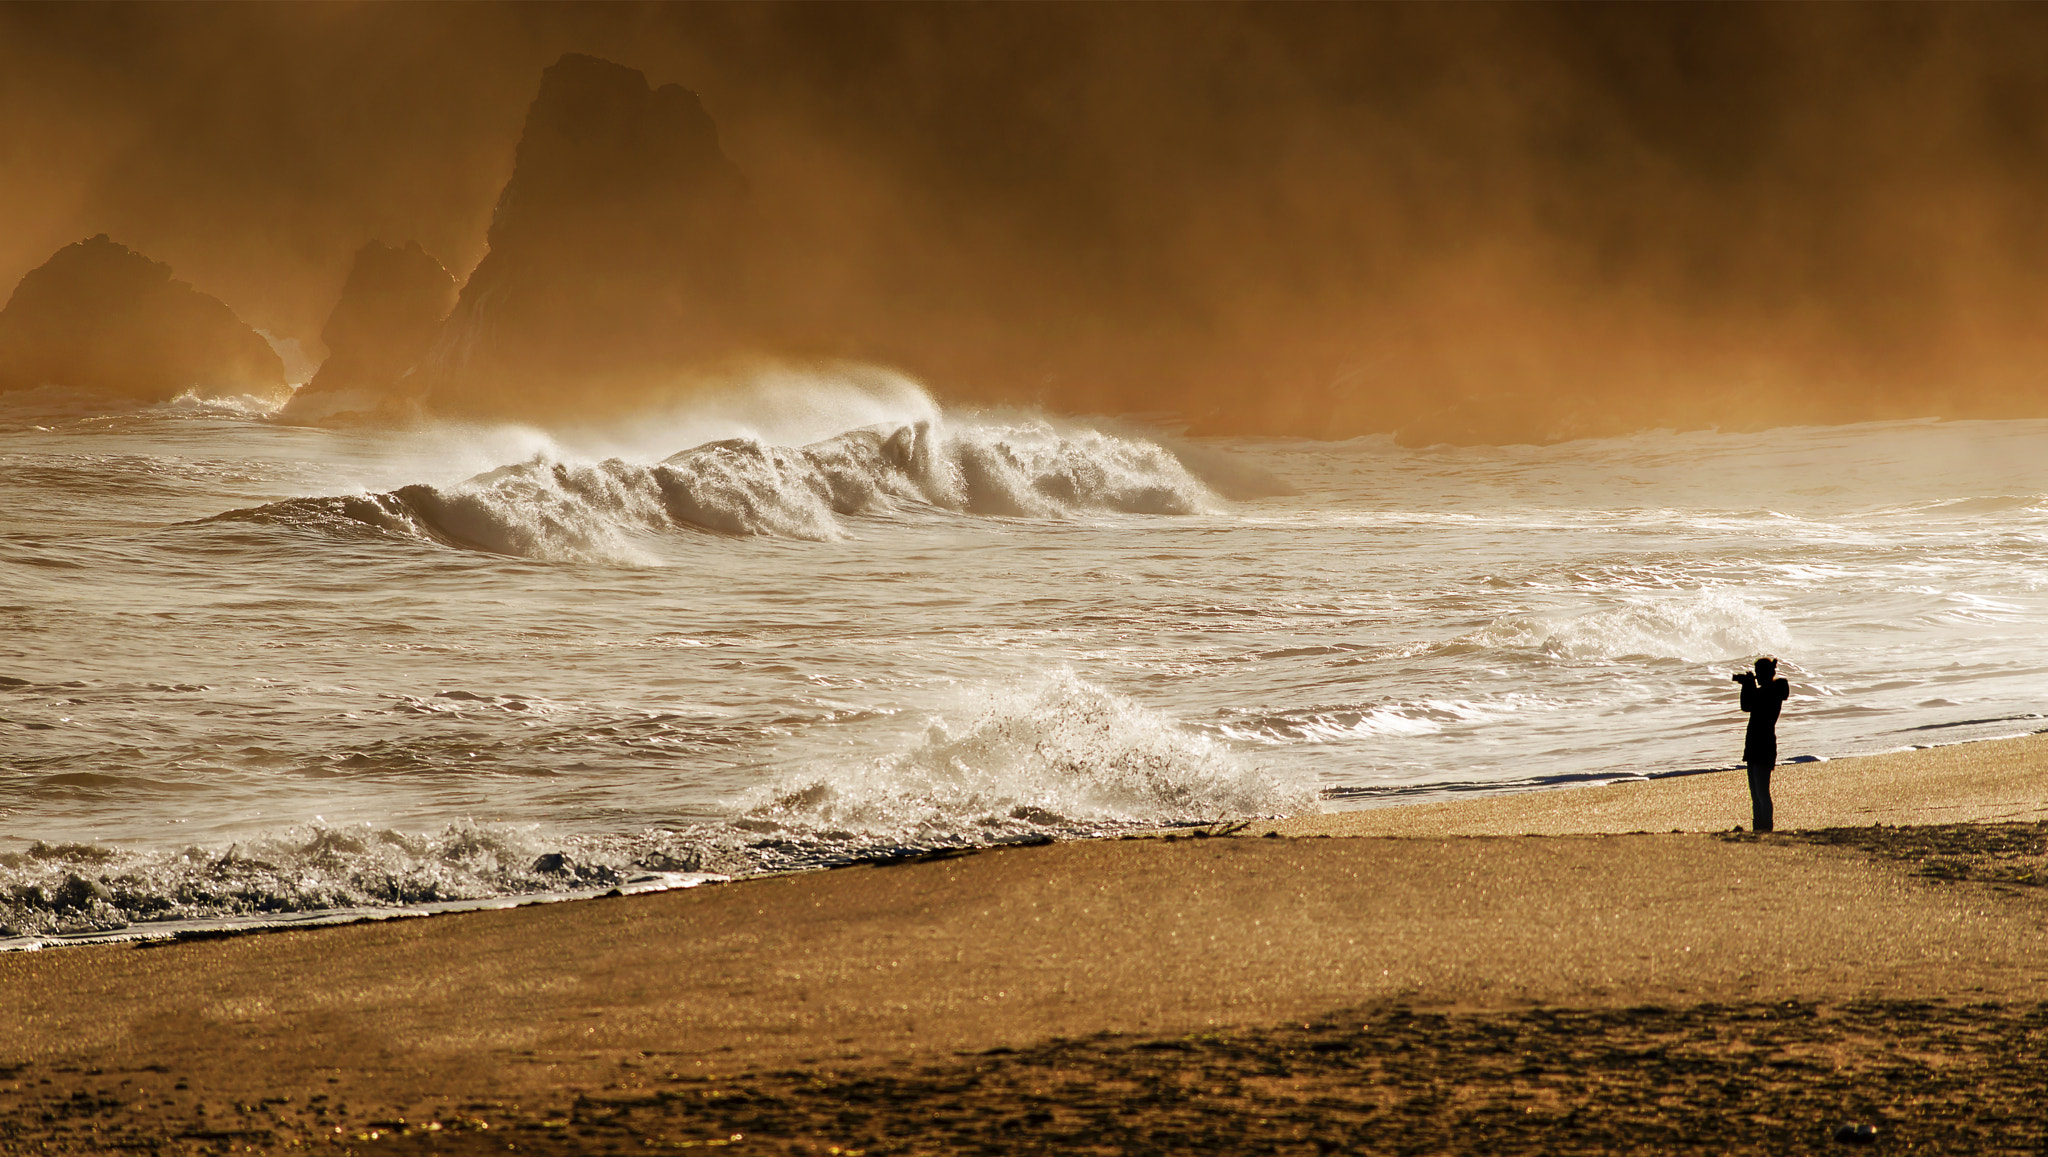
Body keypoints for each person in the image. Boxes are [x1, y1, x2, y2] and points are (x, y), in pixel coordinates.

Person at [1731, 656, 1789, 832]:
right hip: (1755, 744)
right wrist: (1748, 685)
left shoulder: (1775, 689)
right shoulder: (1768, 690)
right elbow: (1748, 704)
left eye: (1759, 673)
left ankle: (1766, 827)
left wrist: (1748, 685)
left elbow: (1748, 704)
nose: (1757, 677)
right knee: (1755, 794)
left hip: (1763, 744)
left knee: (1762, 792)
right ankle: (1758, 827)